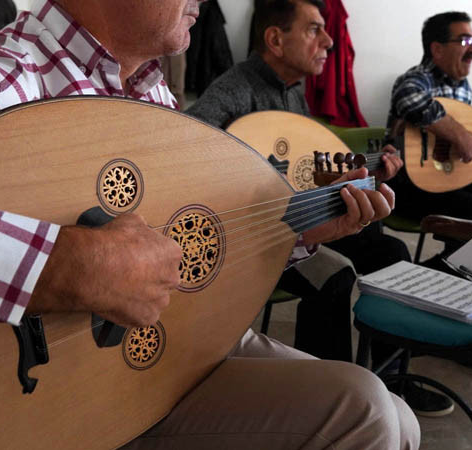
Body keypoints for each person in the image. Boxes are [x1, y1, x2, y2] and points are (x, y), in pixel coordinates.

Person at [0, 0, 419, 448]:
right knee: (363, 409)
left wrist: (294, 233)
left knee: (401, 418)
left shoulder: (154, 95)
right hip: (70, 399)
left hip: (174, 344)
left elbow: (187, 245)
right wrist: (64, 265)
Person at [187, 0, 451, 418]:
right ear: (275, 39)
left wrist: (363, 173)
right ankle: (322, 404)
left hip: (301, 217)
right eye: (313, 30)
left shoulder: (293, 92)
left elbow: (306, 167)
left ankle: (393, 378)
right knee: (335, 275)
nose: (329, 41)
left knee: (390, 251)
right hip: (257, 232)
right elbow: (189, 149)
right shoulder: (235, 89)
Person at [386, 11, 472, 226]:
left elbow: (453, 145)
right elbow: (409, 100)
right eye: (466, 40)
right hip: (405, 182)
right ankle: (445, 261)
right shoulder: (415, 79)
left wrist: (460, 142)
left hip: (447, 176)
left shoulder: (464, 89)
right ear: (437, 49)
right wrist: (460, 135)